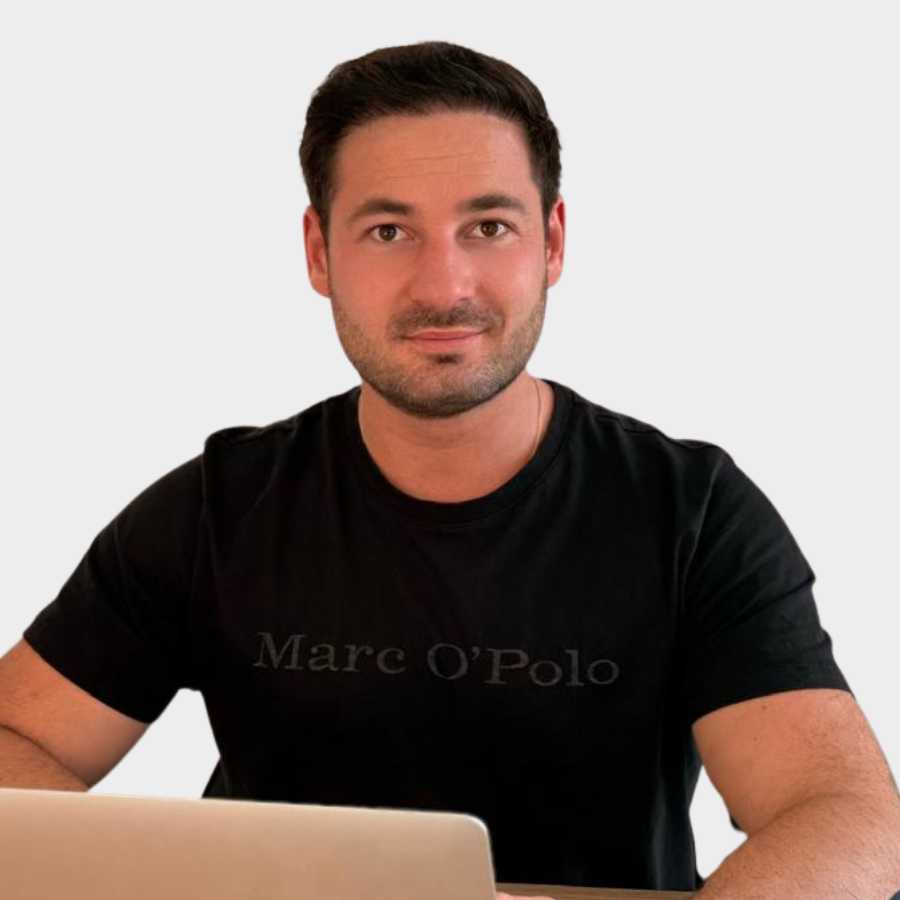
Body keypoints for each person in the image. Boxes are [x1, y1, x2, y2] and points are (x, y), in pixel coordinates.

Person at [1, 40, 898, 897]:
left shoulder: (689, 511)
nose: (446, 285)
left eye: (489, 225)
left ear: (551, 241)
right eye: (389, 229)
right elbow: (15, 737)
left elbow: (848, 814)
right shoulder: (218, 508)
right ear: (320, 253)